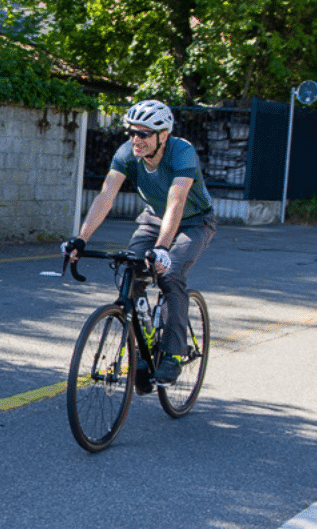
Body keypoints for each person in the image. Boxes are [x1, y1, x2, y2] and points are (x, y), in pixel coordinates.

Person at [63, 99, 217, 386]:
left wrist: (161, 248)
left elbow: (177, 201)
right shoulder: (127, 153)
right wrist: (82, 239)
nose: (136, 139)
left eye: (144, 133)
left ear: (163, 135)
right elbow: (106, 195)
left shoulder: (181, 153)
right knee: (128, 273)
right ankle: (142, 353)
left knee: (169, 274)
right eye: (132, 132)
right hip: (153, 219)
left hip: (194, 222)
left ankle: (172, 354)